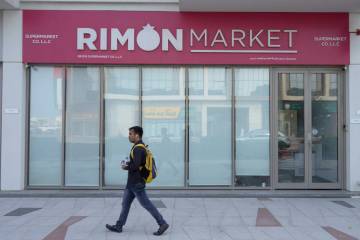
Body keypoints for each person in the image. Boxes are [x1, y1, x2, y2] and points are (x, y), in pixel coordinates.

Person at [106, 126, 169, 236]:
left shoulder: (138, 148)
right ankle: (119, 226)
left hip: (137, 183)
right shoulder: (138, 146)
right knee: (125, 204)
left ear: (137, 135)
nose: (129, 136)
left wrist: (125, 166)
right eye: (129, 133)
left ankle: (162, 223)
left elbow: (135, 165)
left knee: (147, 204)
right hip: (132, 183)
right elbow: (137, 164)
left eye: (131, 133)